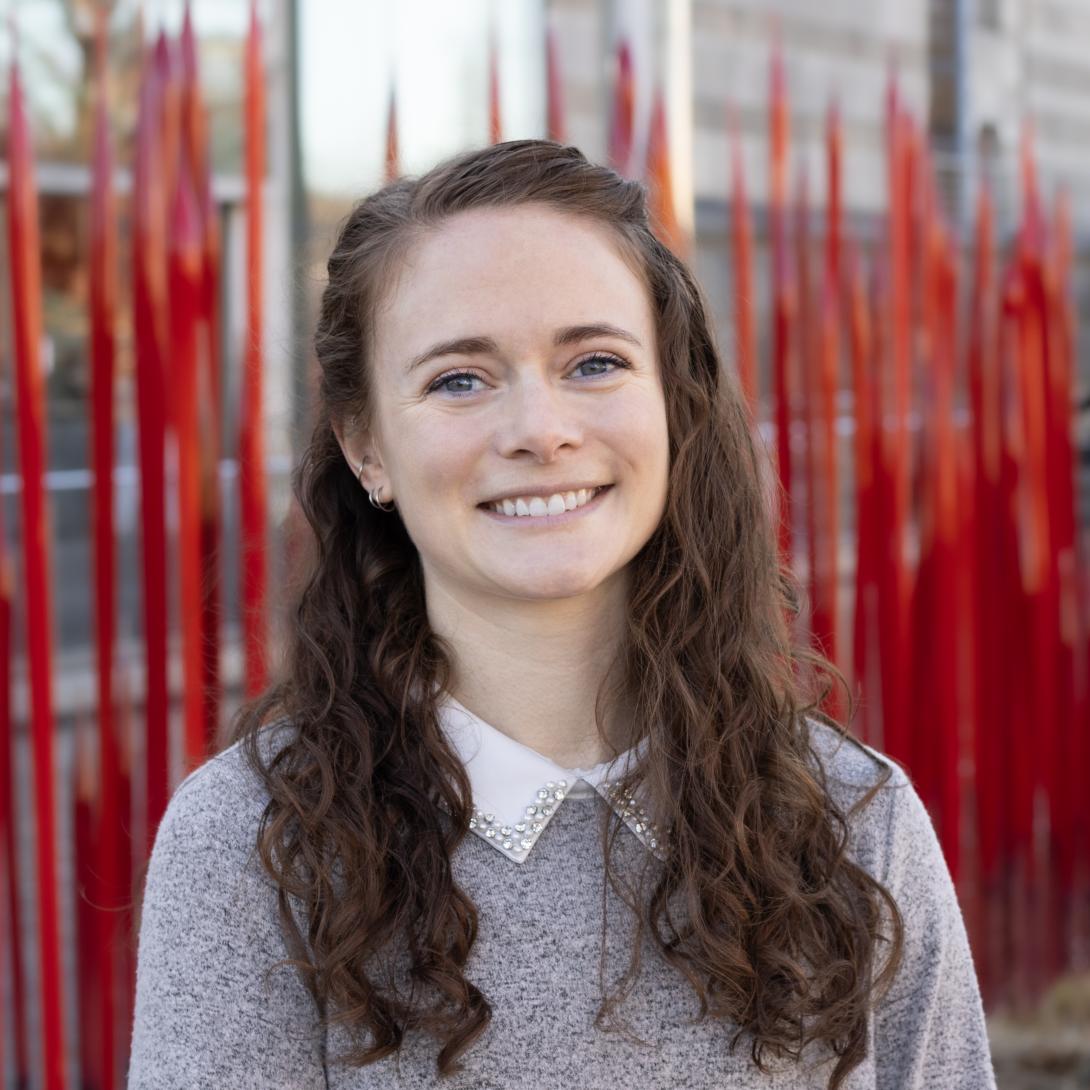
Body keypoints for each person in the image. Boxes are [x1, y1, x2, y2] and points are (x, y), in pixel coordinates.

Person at [127, 140, 996, 1089]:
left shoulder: (850, 819)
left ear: (673, 404)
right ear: (365, 446)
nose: (541, 429)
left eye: (594, 362)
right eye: (460, 378)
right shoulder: (255, 845)